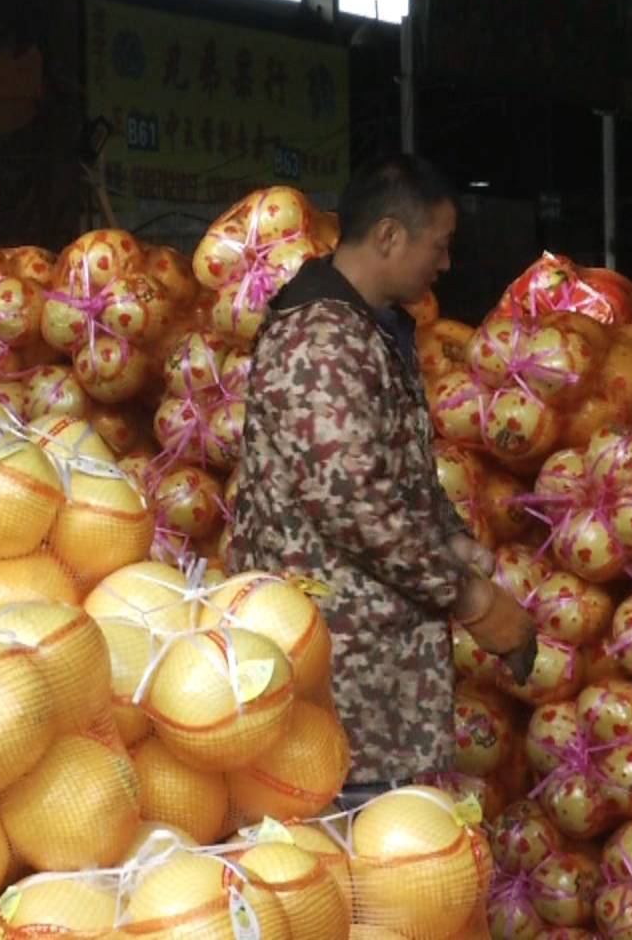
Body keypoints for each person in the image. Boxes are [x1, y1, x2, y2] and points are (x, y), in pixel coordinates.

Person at [229, 155, 536, 797]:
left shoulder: (364, 329)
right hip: (338, 676)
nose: (445, 266)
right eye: (440, 246)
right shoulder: (321, 338)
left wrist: (447, 535)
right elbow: (351, 502)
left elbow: (387, 468)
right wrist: (472, 600)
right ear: (391, 236)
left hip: (371, 676)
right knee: (355, 859)